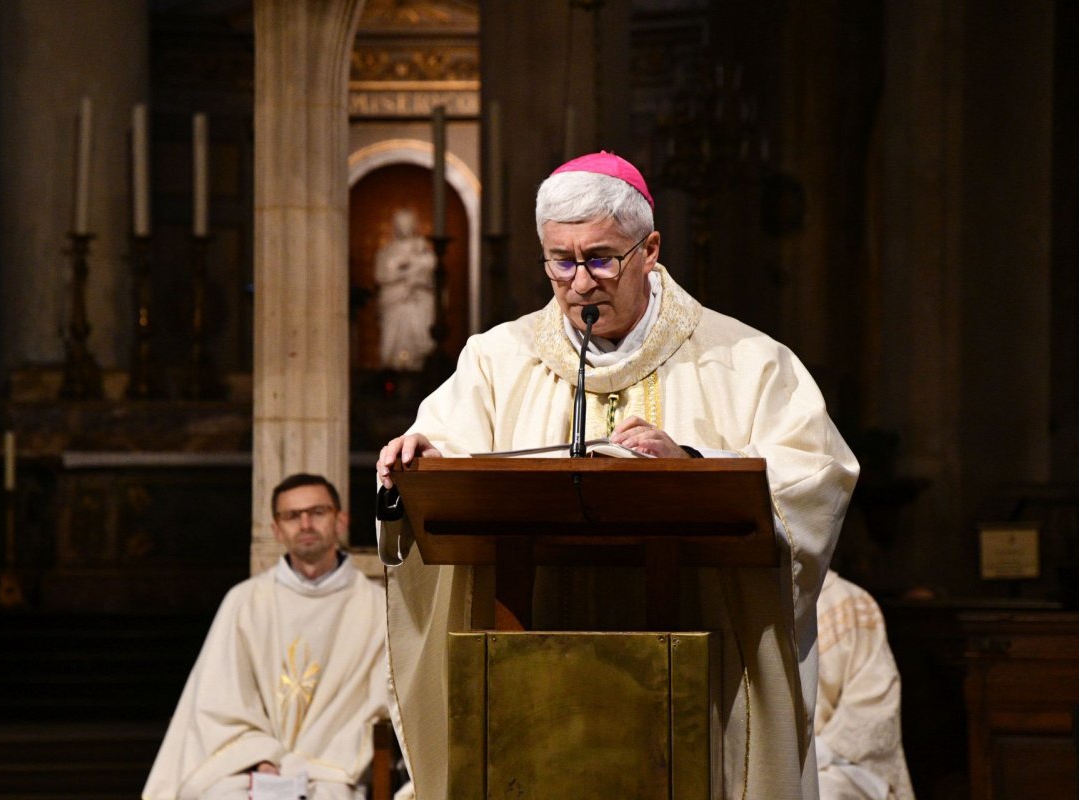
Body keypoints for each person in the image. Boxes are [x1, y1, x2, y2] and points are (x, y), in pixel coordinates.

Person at [375, 151, 860, 798]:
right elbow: (447, 455)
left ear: (650, 248)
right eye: (561, 261)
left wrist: (693, 467)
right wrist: (416, 462)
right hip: (531, 667)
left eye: (602, 257)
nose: (580, 283)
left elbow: (814, 479)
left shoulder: (746, 361)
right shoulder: (497, 359)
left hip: (696, 671)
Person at [143, 474, 389, 800]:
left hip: (330, 768)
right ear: (276, 530)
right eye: (291, 516)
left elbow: (386, 702)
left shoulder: (376, 607)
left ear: (340, 521)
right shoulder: (244, 602)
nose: (305, 524)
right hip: (250, 767)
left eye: (317, 512)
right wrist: (259, 759)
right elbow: (219, 703)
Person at [816, 570, 915, 800]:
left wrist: (816, 754)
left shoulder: (852, 602)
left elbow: (872, 702)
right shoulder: (744, 599)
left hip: (835, 764)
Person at [374, 208, 437, 371]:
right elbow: (381, 275)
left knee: (417, 336)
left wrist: (413, 275)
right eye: (400, 223)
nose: (404, 227)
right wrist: (403, 273)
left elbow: (430, 271)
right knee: (391, 340)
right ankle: (391, 366)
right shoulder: (387, 251)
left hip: (416, 300)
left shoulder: (422, 248)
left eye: (407, 223)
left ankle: (415, 364)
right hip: (394, 300)